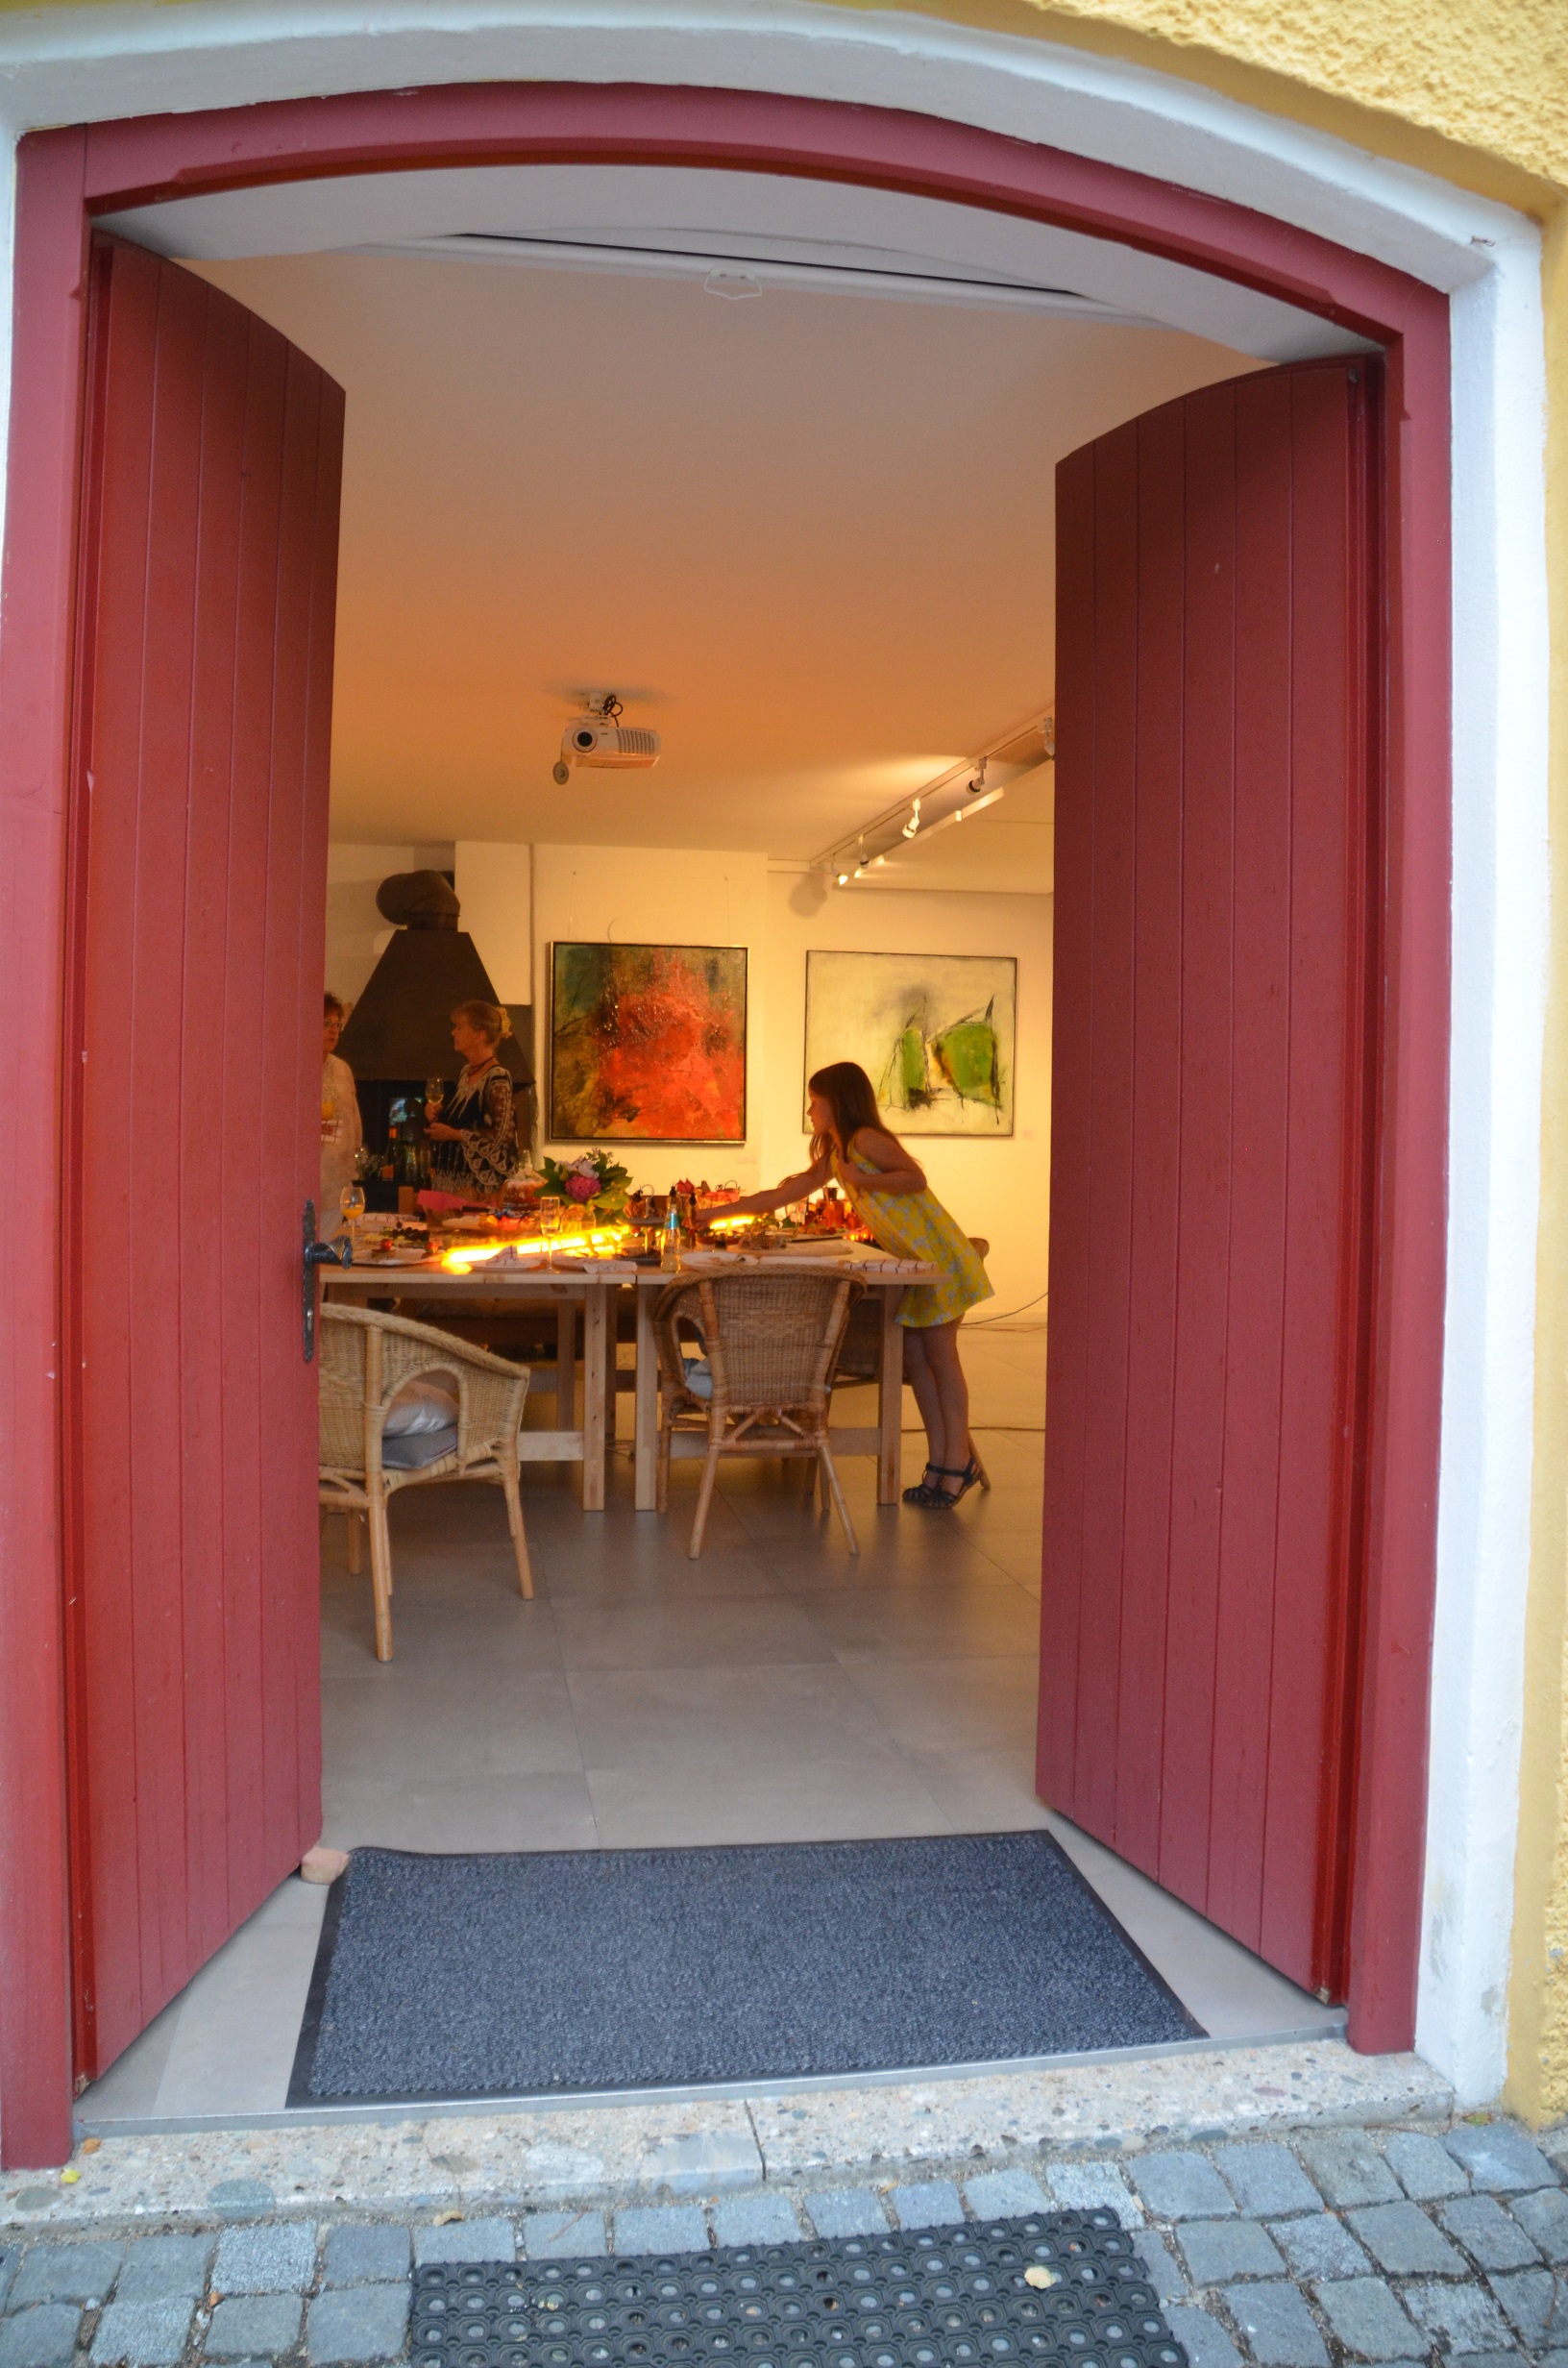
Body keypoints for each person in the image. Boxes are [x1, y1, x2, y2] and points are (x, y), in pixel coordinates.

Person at [718, 1060, 993, 1506]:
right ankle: (942, 1462)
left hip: (941, 1259)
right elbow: (785, 1193)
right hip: (917, 1264)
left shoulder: (865, 1140)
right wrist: (715, 1213)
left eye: (815, 1102)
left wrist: (861, 1179)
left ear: (838, 1102)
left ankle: (957, 1463)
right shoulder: (838, 1152)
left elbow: (915, 1178)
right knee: (917, 1360)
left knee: (941, 1359)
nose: (810, 1111)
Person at [424, 1000, 519, 1197]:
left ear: (479, 1035)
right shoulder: (465, 1072)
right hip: (450, 1179)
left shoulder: (497, 1078)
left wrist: (456, 1135)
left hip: (477, 1189)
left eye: (459, 1027)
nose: (453, 1032)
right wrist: (437, 1111)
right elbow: (466, 1118)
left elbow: (503, 1135)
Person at [321, 992, 362, 1238]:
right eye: (326, 1023)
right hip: (307, 1181)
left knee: (329, 1251)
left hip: (338, 1180)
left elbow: (353, 1121)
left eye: (337, 1024)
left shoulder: (342, 1069)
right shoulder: (294, 1067)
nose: (333, 1030)